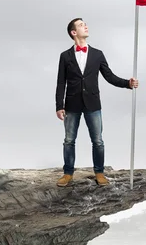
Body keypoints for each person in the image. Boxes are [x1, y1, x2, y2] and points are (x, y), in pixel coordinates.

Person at [55, 18, 139, 187]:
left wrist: (127, 84)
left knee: (98, 140)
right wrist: (59, 105)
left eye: (84, 24)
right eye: (80, 25)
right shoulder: (65, 56)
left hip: (93, 103)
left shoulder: (97, 54)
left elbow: (109, 76)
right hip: (72, 104)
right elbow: (60, 82)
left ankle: (99, 172)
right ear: (73, 32)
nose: (85, 26)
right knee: (69, 140)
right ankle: (68, 173)